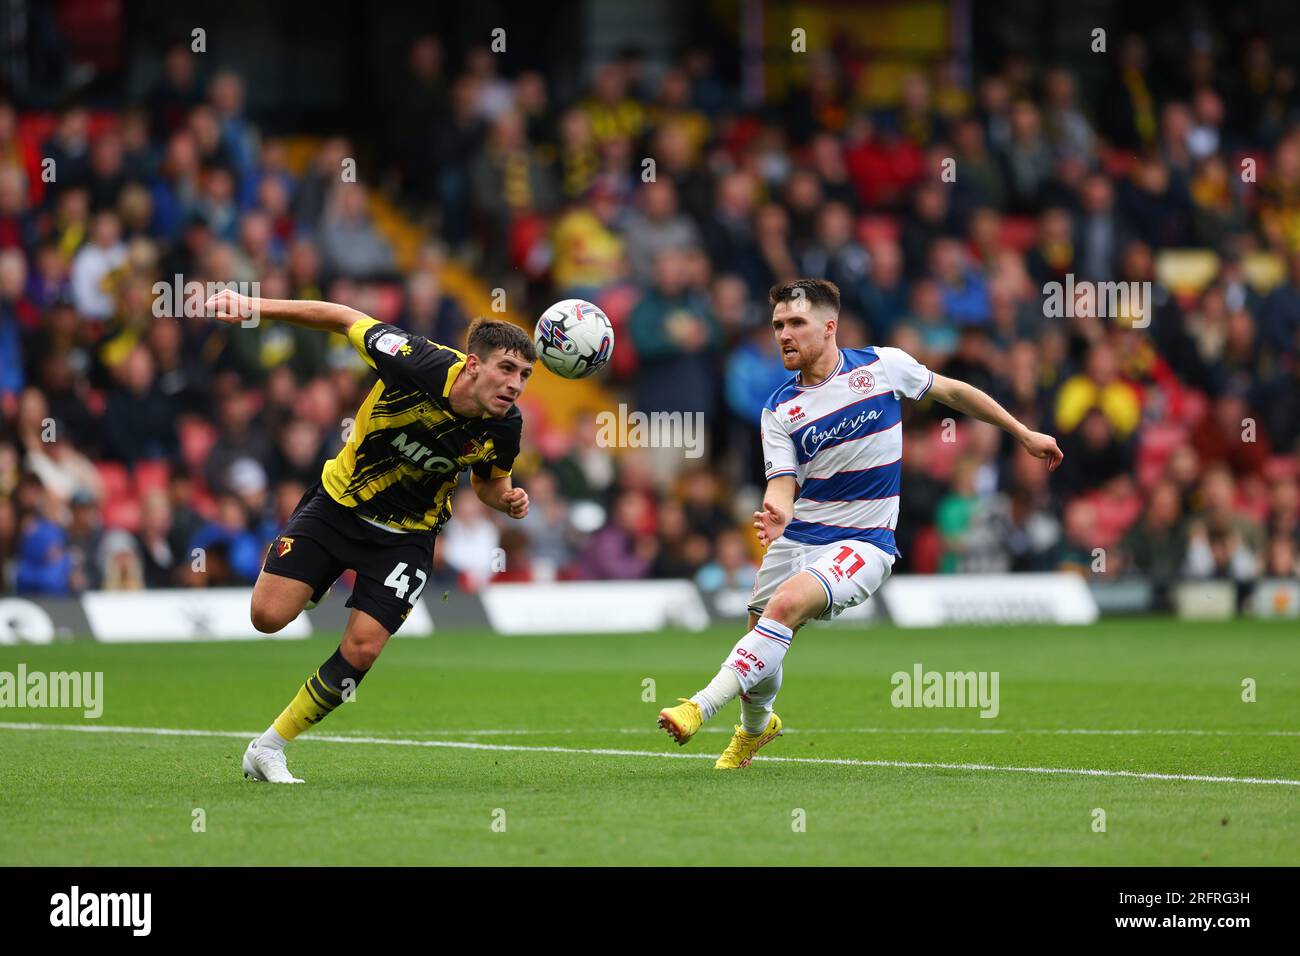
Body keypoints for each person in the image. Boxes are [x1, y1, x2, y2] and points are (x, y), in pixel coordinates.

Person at [657, 279, 1063, 768]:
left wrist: (1021, 433)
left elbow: (953, 392)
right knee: (760, 638)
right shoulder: (779, 410)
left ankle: (698, 706)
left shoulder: (882, 366)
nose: (783, 334)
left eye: (796, 324)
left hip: (865, 541)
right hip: (802, 534)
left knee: (783, 608)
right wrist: (776, 511)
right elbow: (782, 483)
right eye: (777, 325)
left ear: (829, 328)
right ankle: (755, 731)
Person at [203, 290, 534, 783]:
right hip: (339, 506)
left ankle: (269, 747)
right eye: (507, 368)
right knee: (267, 617)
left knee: (362, 649)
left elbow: (489, 483)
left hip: (408, 537)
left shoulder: (505, 426)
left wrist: (505, 500)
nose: (515, 384)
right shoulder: (414, 359)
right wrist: (255, 307)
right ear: (471, 364)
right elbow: (341, 317)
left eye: (525, 375)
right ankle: (315, 580)